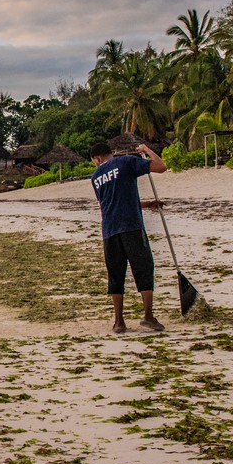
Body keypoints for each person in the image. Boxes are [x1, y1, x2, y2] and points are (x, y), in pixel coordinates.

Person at [89, 141, 168, 333]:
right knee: (144, 268)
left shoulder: (96, 176)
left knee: (116, 274)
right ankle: (148, 316)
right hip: (131, 226)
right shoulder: (125, 162)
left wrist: (148, 205)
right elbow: (161, 167)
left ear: (97, 158)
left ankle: (119, 322)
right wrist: (146, 150)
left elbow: (110, 202)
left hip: (109, 230)